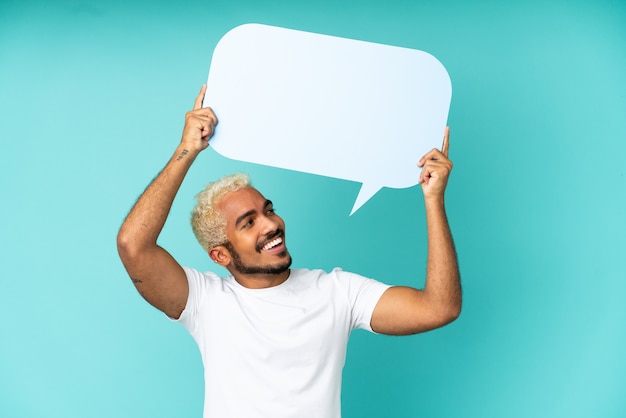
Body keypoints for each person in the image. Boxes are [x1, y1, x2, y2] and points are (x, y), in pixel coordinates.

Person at [117, 84, 461, 418]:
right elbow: (133, 246)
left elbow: (438, 308)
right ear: (221, 255)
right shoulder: (205, 301)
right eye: (248, 223)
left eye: (268, 210)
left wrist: (433, 201)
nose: (270, 224)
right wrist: (187, 149)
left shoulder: (337, 292)